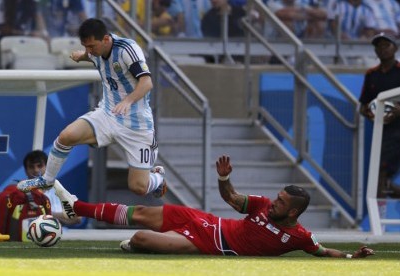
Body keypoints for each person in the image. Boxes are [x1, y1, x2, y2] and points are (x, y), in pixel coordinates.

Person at [52, 155, 374, 257]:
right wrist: (225, 179)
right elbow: (232, 199)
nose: (273, 202)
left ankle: (135, 243)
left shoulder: (299, 236)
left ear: (293, 213)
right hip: (205, 221)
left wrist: (351, 255)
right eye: (276, 197)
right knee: (143, 213)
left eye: (280, 202)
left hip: (209, 243)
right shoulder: (261, 206)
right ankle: (76, 207)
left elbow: (323, 251)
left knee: (139, 238)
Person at [17, 18, 167, 200]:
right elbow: (93, 56)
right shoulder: (95, 51)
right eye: (85, 46)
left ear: (105, 39)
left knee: (138, 187)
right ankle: (47, 180)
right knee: (66, 136)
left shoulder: (127, 49)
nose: (89, 51)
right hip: (108, 114)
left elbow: (147, 82)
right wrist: (82, 56)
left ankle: (157, 177)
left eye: (91, 46)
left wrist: (128, 101)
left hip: (137, 125)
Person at [359, 32, 400, 198]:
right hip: (382, 132)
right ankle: (378, 219)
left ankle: (378, 219)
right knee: (380, 179)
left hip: (398, 130)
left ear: (395, 48)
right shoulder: (371, 74)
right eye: (379, 46)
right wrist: (373, 115)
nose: (382, 49)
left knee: (381, 178)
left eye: (386, 45)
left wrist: (398, 111)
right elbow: (363, 106)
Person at [22, 150, 82, 226]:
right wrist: (59, 217)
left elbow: (78, 217)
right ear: (25, 170)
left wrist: (44, 213)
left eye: (39, 166)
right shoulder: (21, 192)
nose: (36, 170)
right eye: (31, 167)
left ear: (47, 167)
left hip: (59, 234)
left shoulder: (57, 189)